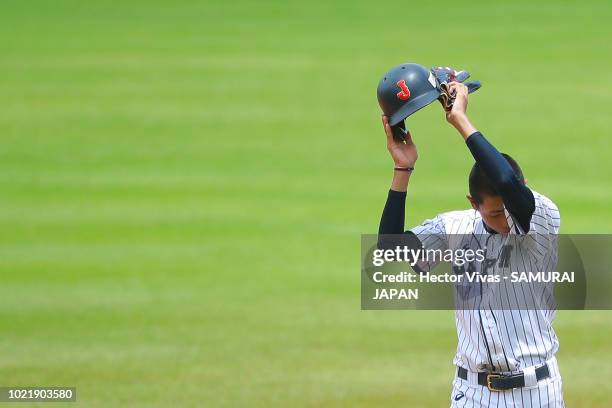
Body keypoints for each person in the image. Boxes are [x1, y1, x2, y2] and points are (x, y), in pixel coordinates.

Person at [378, 82, 564, 407]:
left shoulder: (542, 217)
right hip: (473, 393)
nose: (507, 222)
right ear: (473, 204)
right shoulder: (454, 227)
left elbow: (506, 183)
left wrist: (459, 119)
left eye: (509, 209)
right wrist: (402, 168)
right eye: (495, 214)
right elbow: (390, 250)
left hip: (537, 392)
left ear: (524, 189)